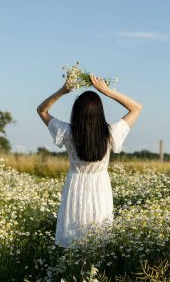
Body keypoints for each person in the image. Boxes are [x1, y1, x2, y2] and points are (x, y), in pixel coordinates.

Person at [37, 74, 142, 248]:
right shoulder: (110, 132)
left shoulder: (67, 132)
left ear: (76, 112)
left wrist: (63, 91)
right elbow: (136, 108)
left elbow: (42, 110)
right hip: (100, 188)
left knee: (74, 241)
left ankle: (75, 274)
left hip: (75, 186)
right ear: (100, 112)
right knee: (98, 242)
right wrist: (107, 91)